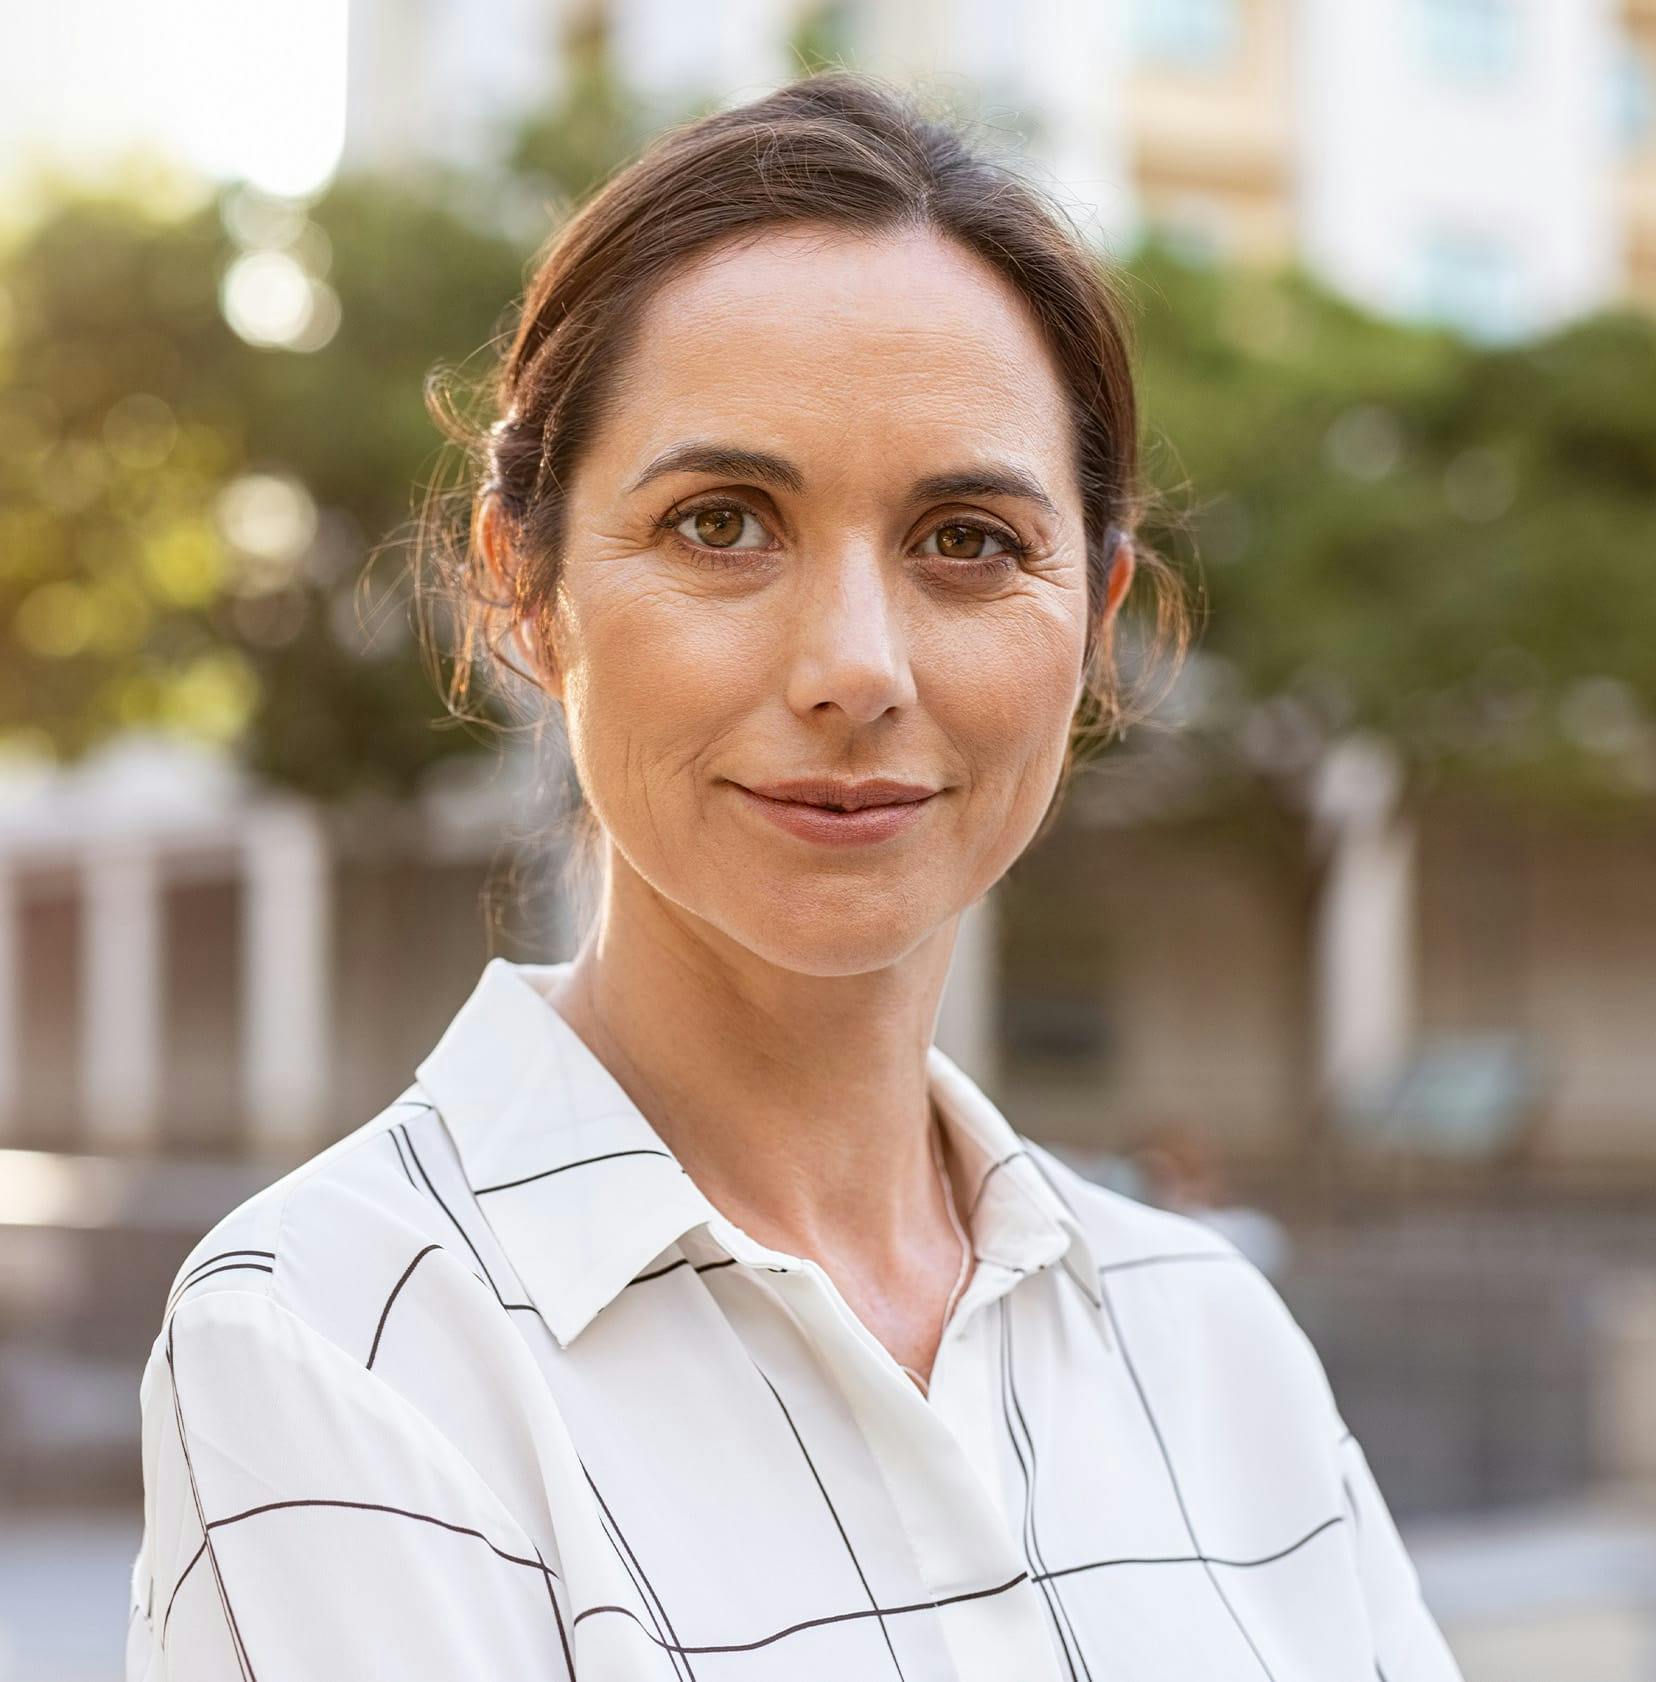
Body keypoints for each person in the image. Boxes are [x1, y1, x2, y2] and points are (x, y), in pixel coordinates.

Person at [125, 71, 1462, 1681]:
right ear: (524, 586)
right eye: (721, 523)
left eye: (966, 539)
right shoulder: (339, 1335)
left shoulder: (1215, 1339)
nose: (855, 668)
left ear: (1098, 615)